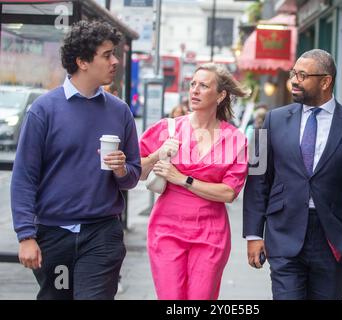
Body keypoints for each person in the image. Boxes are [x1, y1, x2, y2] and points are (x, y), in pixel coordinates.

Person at [10, 20, 141, 300]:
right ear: (82, 61)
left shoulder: (120, 112)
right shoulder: (43, 111)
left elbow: (133, 175)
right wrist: (26, 236)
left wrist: (121, 169)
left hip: (102, 234)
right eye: (107, 55)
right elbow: (24, 178)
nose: (115, 61)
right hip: (54, 235)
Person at [243, 49, 342, 300]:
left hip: (332, 237)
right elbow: (257, 178)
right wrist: (253, 233)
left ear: (325, 81)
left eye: (302, 75)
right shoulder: (272, 120)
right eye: (294, 73)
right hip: (284, 232)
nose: (294, 80)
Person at [139, 63, 249, 299]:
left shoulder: (235, 139)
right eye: (193, 85)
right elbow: (136, 171)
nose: (195, 91)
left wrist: (183, 179)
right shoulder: (167, 129)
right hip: (166, 229)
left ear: (220, 95)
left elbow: (229, 193)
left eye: (204, 85)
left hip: (210, 234)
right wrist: (157, 154)